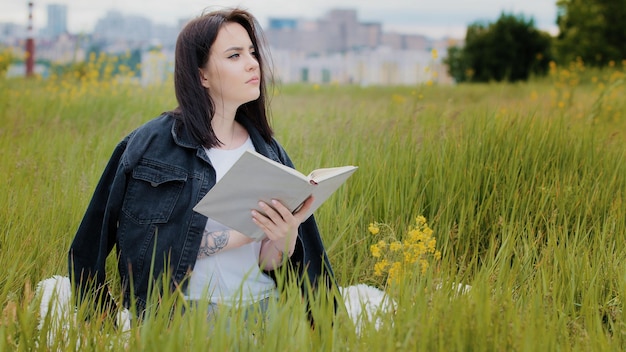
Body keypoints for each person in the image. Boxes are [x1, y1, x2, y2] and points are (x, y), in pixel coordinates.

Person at [68, 8, 336, 321]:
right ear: (202, 75)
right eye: (234, 55)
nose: (253, 63)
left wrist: (283, 241)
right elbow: (99, 242)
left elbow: (267, 264)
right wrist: (100, 321)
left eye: (252, 52)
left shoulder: (269, 151)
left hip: (264, 309)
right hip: (186, 314)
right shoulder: (151, 145)